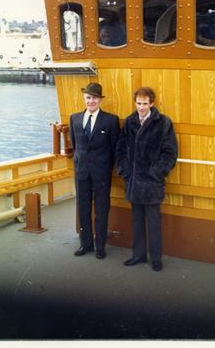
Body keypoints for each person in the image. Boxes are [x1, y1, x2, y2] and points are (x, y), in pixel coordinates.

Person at [116, 87, 178, 271]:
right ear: (135, 103)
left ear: (152, 103)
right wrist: (126, 173)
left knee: (153, 222)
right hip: (134, 182)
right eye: (138, 103)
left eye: (145, 103)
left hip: (152, 183)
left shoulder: (163, 123)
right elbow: (120, 150)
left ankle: (156, 258)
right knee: (136, 220)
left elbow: (170, 153)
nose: (141, 107)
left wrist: (156, 173)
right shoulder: (129, 122)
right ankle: (138, 255)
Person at [70, 82, 120, 259]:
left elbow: (115, 149)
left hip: (101, 173)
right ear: (84, 98)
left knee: (101, 209)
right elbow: (76, 146)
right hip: (81, 172)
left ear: (100, 100)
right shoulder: (74, 118)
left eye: (95, 98)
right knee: (82, 208)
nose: (91, 101)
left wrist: (107, 168)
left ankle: (100, 246)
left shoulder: (111, 120)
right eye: (88, 98)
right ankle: (86, 244)